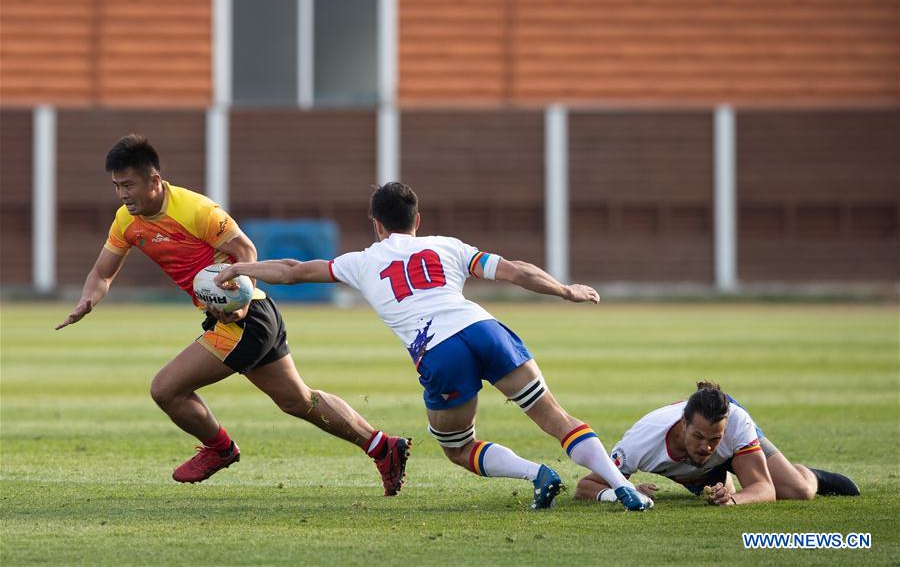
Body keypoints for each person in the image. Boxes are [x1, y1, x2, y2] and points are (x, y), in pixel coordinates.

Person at [215, 181, 653, 511]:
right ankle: (622, 485)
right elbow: (517, 270)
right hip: (485, 329)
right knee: (557, 418)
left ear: (377, 224)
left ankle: (537, 474)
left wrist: (242, 268)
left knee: (459, 448)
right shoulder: (449, 246)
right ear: (417, 221)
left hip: (440, 352)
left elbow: (291, 270)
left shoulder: (361, 261)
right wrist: (564, 290)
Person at [56, 135, 410, 496]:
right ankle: (383, 447)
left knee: (166, 389)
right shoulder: (125, 222)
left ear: (155, 181)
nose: (122, 194)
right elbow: (102, 273)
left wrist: (236, 301)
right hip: (249, 317)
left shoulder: (195, 210)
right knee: (299, 401)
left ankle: (220, 449)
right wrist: (88, 299)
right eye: (117, 186)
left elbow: (245, 249)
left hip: (245, 316)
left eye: (128, 185)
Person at [574, 381, 860, 506]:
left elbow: (764, 489)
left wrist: (733, 501)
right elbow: (585, 487)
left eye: (714, 440)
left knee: (797, 491)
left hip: (734, 444)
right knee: (713, 485)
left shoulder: (735, 422)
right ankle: (726, 478)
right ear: (684, 425)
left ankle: (808, 474)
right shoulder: (640, 443)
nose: (706, 447)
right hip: (696, 470)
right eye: (698, 436)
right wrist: (627, 490)